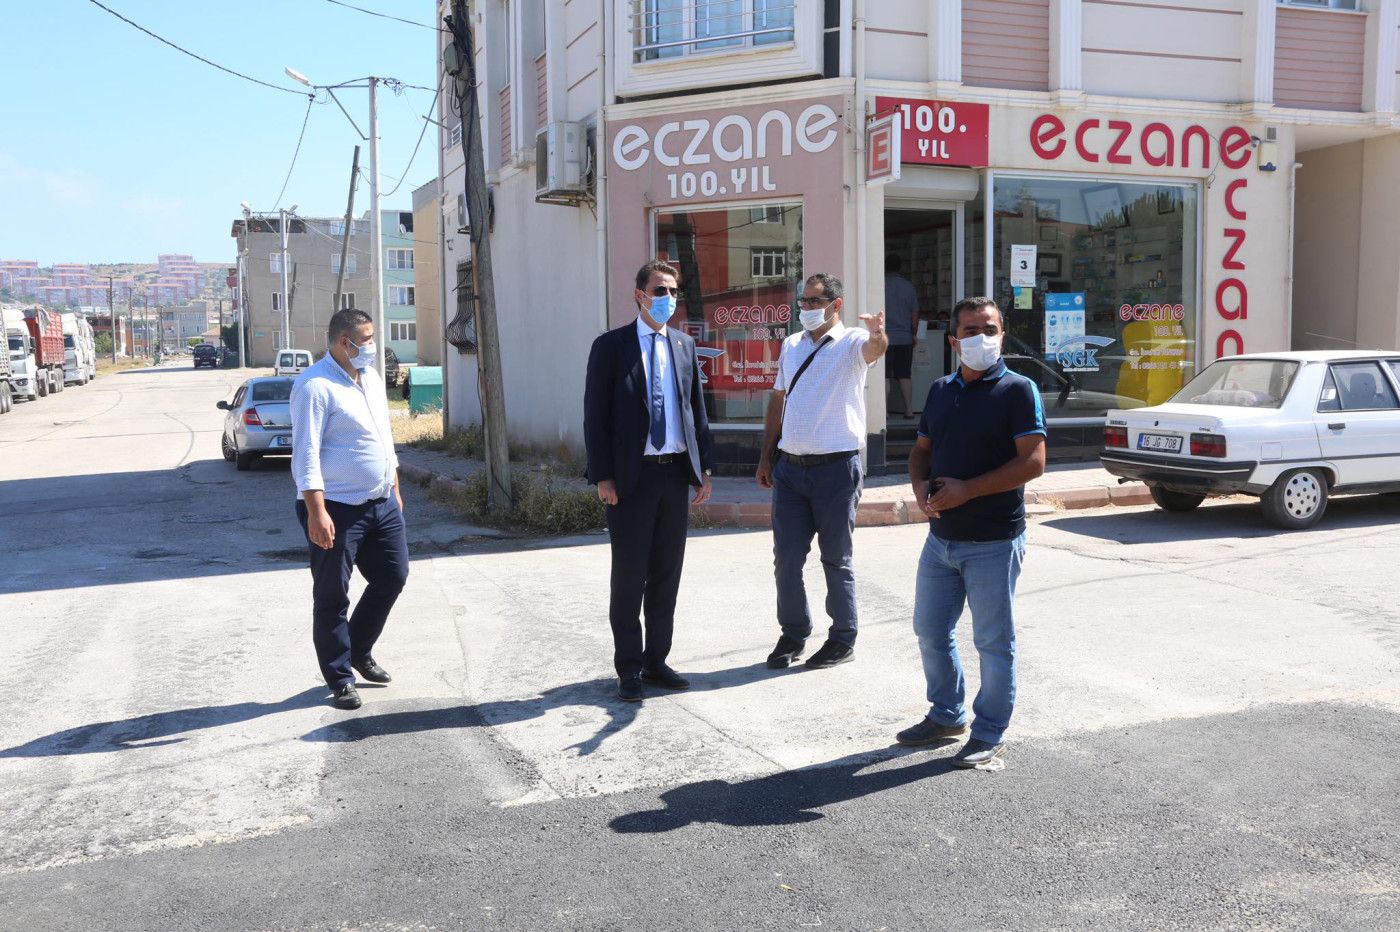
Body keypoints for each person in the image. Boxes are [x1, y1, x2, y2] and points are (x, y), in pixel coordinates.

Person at [897, 296, 1046, 768]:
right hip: (941, 539)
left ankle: (989, 731)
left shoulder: (1019, 390)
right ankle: (946, 714)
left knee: (992, 642)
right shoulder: (941, 390)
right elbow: (921, 450)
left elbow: (1033, 463)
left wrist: (968, 491)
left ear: (1003, 335)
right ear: (953, 341)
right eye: (970, 331)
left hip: (994, 542)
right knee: (929, 630)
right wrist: (919, 488)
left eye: (989, 329)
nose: (980, 338)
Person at [584, 260, 714, 703]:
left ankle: (656, 661)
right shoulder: (611, 346)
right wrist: (603, 475)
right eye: (660, 290)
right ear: (639, 295)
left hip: (673, 474)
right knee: (629, 577)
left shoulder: (684, 345)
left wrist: (703, 468)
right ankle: (629, 668)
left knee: (666, 575)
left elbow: (696, 411)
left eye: (674, 291)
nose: (668, 299)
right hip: (630, 480)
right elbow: (594, 417)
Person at [756, 273, 889, 671]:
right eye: (804, 302)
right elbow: (778, 400)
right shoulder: (792, 344)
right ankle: (793, 633)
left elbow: (875, 349)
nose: (808, 308)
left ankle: (843, 638)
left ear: (836, 304)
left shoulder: (852, 342)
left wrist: (878, 334)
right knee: (786, 559)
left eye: (815, 301)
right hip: (790, 470)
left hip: (836, 470)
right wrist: (766, 457)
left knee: (836, 558)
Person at [289, 309, 407, 711]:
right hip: (335, 509)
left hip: (381, 502)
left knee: (392, 577)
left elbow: (383, 435)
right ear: (345, 342)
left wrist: (394, 485)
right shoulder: (314, 386)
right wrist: (316, 512)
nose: (373, 345)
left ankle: (358, 649)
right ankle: (340, 678)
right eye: (367, 339)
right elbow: (305, 454)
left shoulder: (370, 378)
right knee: (332, 596)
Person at [883, 254, 920, 419]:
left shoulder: (880, 285)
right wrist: (913, 333)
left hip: (884, 338)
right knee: (904, 374)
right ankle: (909, 410)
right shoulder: (908, 286)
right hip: (904, 337)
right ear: (900, 267)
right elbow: (914, 314)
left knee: (884, 375)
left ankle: (884, 412)